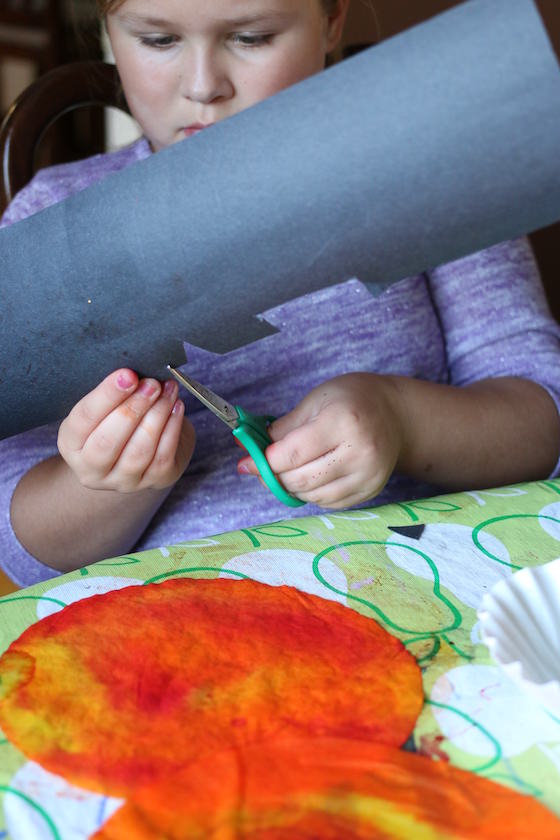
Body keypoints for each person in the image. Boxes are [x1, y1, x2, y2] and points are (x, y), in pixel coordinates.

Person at [1, 0, 560, 588]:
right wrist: (110, 485)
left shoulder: (428, 173)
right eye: (159, 41)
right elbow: (24, 549)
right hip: (177, 622)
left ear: (333, 20)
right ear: (109, 31)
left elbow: (543, 421)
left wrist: (403, 421)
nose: (203, 86)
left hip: (436, 588)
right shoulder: (58, 225)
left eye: (251, 37)